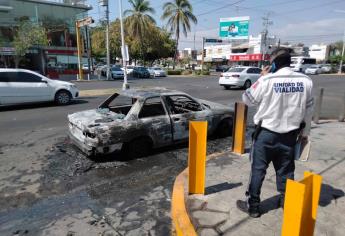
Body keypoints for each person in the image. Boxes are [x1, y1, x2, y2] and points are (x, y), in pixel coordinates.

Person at [236, 48, 314, 218]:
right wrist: (305, 133)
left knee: (258, 171)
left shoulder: (267, 80)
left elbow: (247, 99)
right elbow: (309, 110)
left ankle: (254, 207)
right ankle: (288, 203)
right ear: (289, 62)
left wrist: (262, 77)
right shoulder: (306, 81)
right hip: (290, 135)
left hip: (266, 134)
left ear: (273, 64)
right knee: (286, 172)